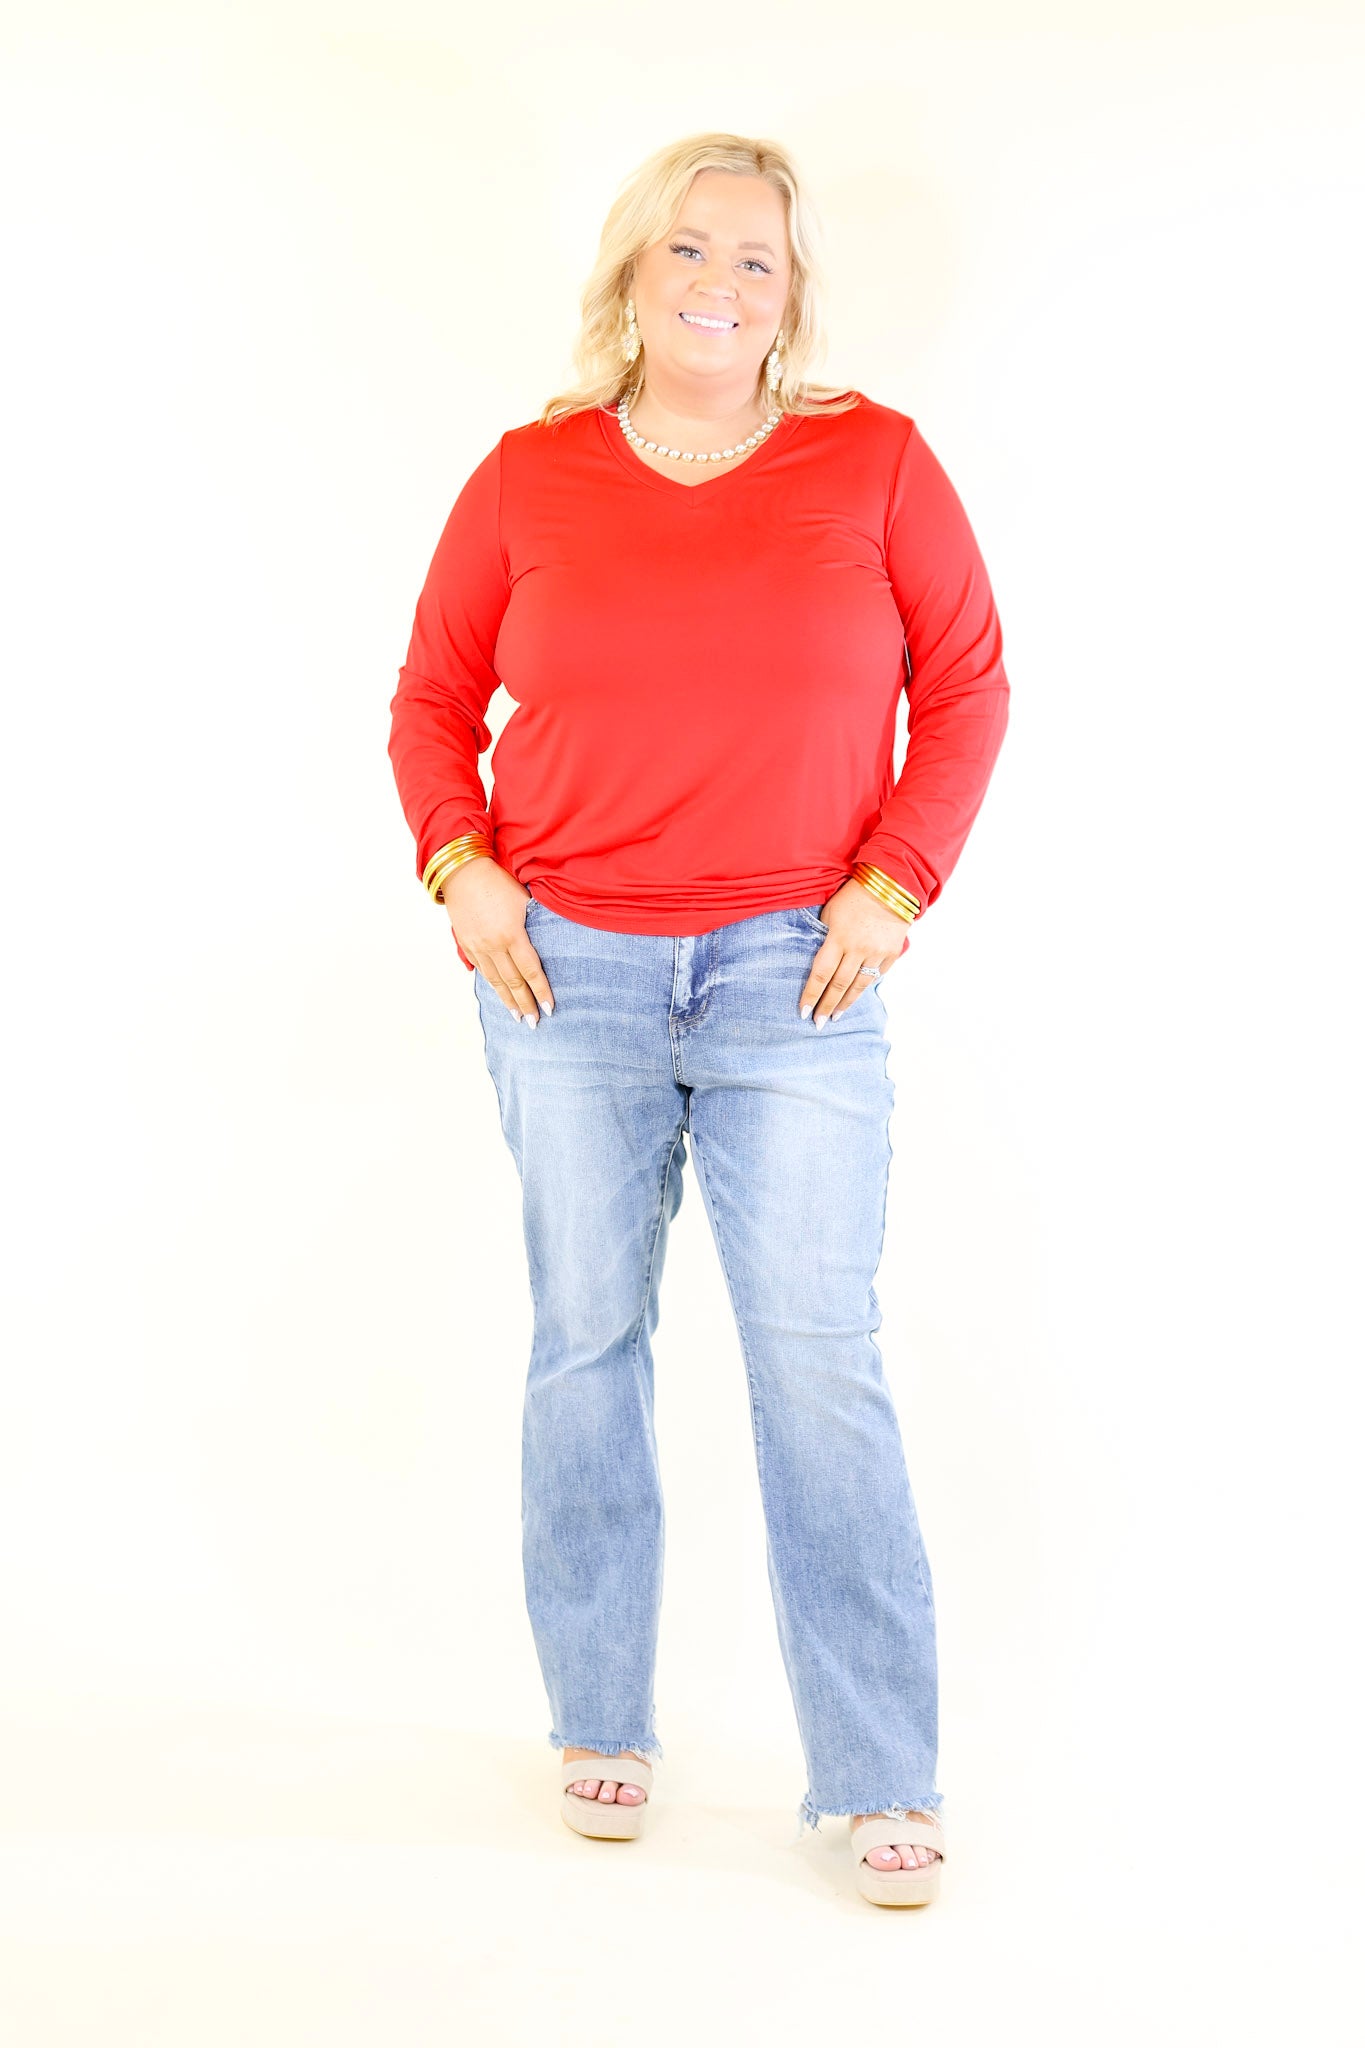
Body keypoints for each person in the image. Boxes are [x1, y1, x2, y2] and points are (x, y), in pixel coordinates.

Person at [387, 131, 1009, 1909]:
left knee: (817, 1355)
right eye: (688, 248)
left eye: (756, 258)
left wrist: (893, 883)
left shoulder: (874, 462)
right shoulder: (527, 476)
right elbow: (431, 699)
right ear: (630, 273)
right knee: (586, 1339)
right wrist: (461, 869)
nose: (719, 284)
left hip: (793, 975)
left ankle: (877, 1774)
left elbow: (967, 688)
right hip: (562, 971)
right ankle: (601, 1719)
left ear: (791, 296)